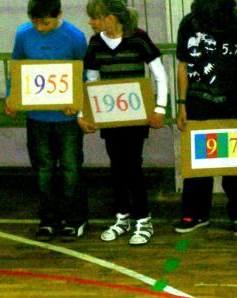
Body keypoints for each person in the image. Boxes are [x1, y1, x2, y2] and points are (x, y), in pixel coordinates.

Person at [78, 0, 168, 246]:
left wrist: (159, 108)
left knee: (133, 166)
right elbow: (91, 79)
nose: (91, 22)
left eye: (94, 18)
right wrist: (87, 113)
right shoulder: (95, 43)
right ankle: (122, 216)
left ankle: (143, 218)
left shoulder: (139, 38)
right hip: (109, 118)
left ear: (109, 17)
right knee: (116, 167)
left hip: (136, 118)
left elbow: (159, 73)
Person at [5, 0, 89, 242]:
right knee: (43, 171)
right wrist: (12, 96)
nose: (39, 27)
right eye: (35, 21)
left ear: (59, 14)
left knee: (71, 169)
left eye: (46, 22)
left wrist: (78, 101)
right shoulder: (23, 34)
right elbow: (17, 68)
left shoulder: (75, 37)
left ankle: (75, 219)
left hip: (67, 118)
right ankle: (49, 219)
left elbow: (85, 73)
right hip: (37, 116)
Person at [175, 0, 237, 237]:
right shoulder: (189, 23)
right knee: (197, 167)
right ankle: (195, 214)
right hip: (197, 105)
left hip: (232, 106)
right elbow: (183, 64)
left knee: (235, 167)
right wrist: (181, 104)